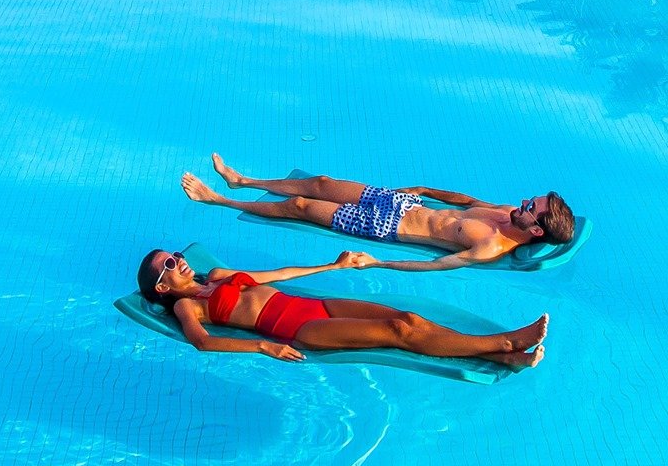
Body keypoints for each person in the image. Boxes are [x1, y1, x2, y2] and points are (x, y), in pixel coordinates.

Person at [136, 248, 547, 368]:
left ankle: (502, 356)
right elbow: (204, 344)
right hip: (300, 331)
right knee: (398, 333)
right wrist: (264, 347)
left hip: (313, 305)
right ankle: (506, 340)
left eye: (174, 253)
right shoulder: (187, 307)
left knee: (409, 319)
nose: (178, 259)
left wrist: (332, 265)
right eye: (168, 264)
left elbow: (276, 273)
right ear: (161, 285)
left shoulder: (219, 275)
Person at [181, 155, 575, 270]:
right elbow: (464, 199)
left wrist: (378, 263)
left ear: (537, 231)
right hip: (404, 203)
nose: (523, 203)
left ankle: (220, 200)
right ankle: (243, 181)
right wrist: (424, 189)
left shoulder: (491, 246)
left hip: (384, 226)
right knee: (320, 181)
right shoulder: (505, 211)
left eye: (530, 208)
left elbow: (435, 265)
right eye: (530, 201)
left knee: (299, 207)